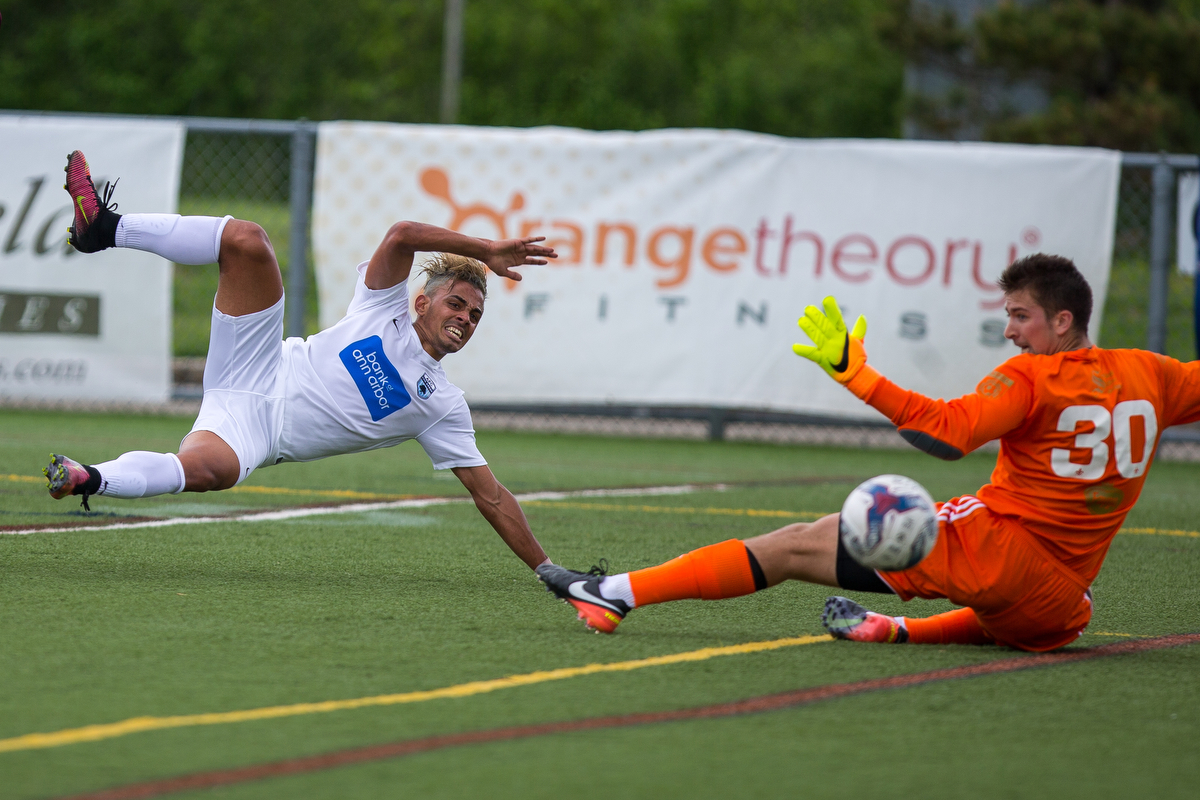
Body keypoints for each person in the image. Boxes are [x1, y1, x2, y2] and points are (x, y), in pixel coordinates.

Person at [538, 254, 1200, 650]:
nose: (1008, 330)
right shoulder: (1155, 374)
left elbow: (946, 433)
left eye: (1021, 316)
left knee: (795, 544)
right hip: (1064, 599)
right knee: (1040, 617)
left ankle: (617, 593)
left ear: (1062, 321)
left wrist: (859, 376)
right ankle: (898, 630)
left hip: (999, 547)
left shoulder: (1031, 378)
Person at [44, 150, 556, 570]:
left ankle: (87, 477)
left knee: (206, 471)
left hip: (258, 431)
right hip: (258, 360)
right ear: (422, 302)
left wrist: (550, 571)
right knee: (247, 241)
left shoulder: (441, 405)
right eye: (457, 304)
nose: (466, 318)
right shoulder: (383, 306)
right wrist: (485, 247)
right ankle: (104, 229)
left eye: (475, 316)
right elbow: (401, 235)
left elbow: (491, 497)